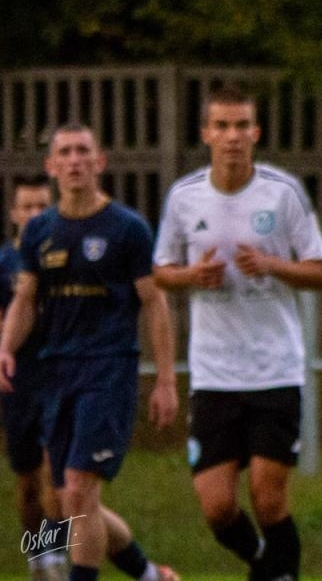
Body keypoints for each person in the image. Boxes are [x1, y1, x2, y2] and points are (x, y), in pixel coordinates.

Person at [154, 85, 322, 581]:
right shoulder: (185, 197)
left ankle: (281, 575)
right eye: (222, 126)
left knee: (269, 499)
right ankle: (263, 564)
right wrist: (193, 277)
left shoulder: (282, 193)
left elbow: (321, 272)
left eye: (241, 126)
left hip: (275, 369)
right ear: (206, 133)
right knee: (216, 508)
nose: (232, 136)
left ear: (255, 132)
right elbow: (161, 272)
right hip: (214, 374)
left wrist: (272, 265)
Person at [0, 124, 180, 581]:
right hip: (31, 384)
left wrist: (165, 378)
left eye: (84, 151)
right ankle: (49, 560)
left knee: (77, 493)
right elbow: (22, 303)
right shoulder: (24, 248)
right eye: (66, 152)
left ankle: (56, 568)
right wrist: (5, 349)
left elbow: (155, 301)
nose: (76, 160)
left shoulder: (125, 228)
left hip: (103, 371)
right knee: (44, 496)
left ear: (100, 161)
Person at [2, 179, 69, 581]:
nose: (33, 215)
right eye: (25, 207)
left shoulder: (64, 256)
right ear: (13, 213)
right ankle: (36, 558)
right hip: (18, 382)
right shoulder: (4, 262)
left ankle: (56, 554)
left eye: (41, 207)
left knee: (55, 471)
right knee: (27, 481)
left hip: (60, 376)